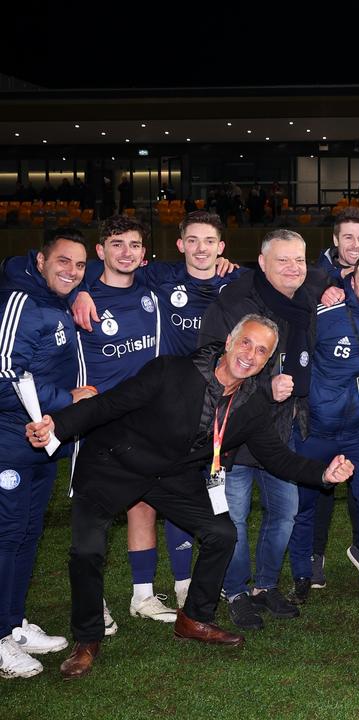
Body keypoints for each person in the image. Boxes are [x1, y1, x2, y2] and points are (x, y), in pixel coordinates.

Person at [25, 314, 353, 679]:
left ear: (268, 362)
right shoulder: (172, 371)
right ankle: (87, 639)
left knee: (222, 533)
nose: (250, 354)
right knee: (86, 550)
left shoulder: (252, 404)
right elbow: (109, 405)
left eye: (262, 351)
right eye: (246, 342)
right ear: (229, 341)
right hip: (114, 463)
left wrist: (323, 473)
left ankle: (194, 618)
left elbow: (276, 456)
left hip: (169, 476)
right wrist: (59, 423)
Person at [197, 229, 327, 630]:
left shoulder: (305, 299)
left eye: (299, 260)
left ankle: (265, 586)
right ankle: (235, 591)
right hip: (233, 432)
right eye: (283, 260)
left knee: (285, 513)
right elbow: (207, 362)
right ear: (262, 262)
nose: (293, 268)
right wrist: (262, 387)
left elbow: (338, 271)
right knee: (232, 517)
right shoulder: (234, 303)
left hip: (279, 431)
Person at [74, 216, 178, 624]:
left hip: (145, 420)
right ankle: (92, 601)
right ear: (100, 251)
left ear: (144, 253)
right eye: (117, 244)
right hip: (99, 421)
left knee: (143, 505)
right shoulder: (79, 296)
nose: (126, 252)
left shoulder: (151, 290)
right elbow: (23, 271)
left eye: (134, 245)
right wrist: (80, 290)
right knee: (94, 515)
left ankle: (143, 595)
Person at [0, 230, 89, 679]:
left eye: (79, 265)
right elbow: (3, 375)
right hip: (8, 443)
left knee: (26, 536)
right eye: (63, 261)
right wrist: (68, 397)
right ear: (40, 260)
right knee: (6, 537)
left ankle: (12, 625)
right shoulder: (19, 301)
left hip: (38, 445)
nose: (71, 271)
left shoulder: (56, 302)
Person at [286, 254, 359, 609]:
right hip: (316, 431)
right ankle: (302, 576)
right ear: (351, 281)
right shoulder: (325, 315)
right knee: (303, 504)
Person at [317, 206, 359, 283]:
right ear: (336, 240)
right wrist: (340, 274)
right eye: (348, 237)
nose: (356, 245)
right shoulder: (315, 278)